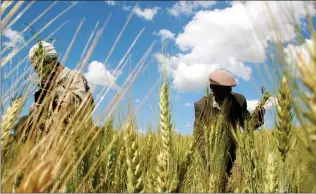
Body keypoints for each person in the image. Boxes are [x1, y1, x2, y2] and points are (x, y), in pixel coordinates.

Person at [193, 69, 265, 190]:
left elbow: (247, 125)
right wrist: (211, 161)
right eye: (224, 89)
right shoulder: (201, 105)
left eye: (230, 88)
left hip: (233, 156)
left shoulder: (239, 100)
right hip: (210, 157)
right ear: (212, 88)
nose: (228, 92)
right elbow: (199, 136)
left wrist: (258, 119)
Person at [14, 41, 95, 142]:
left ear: (51, 61)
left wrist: (53, 92)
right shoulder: (47, 86)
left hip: (74, 142)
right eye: (36, 68)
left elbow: (79, 106)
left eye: (41, 66)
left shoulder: (74, 76)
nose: (39, 72)